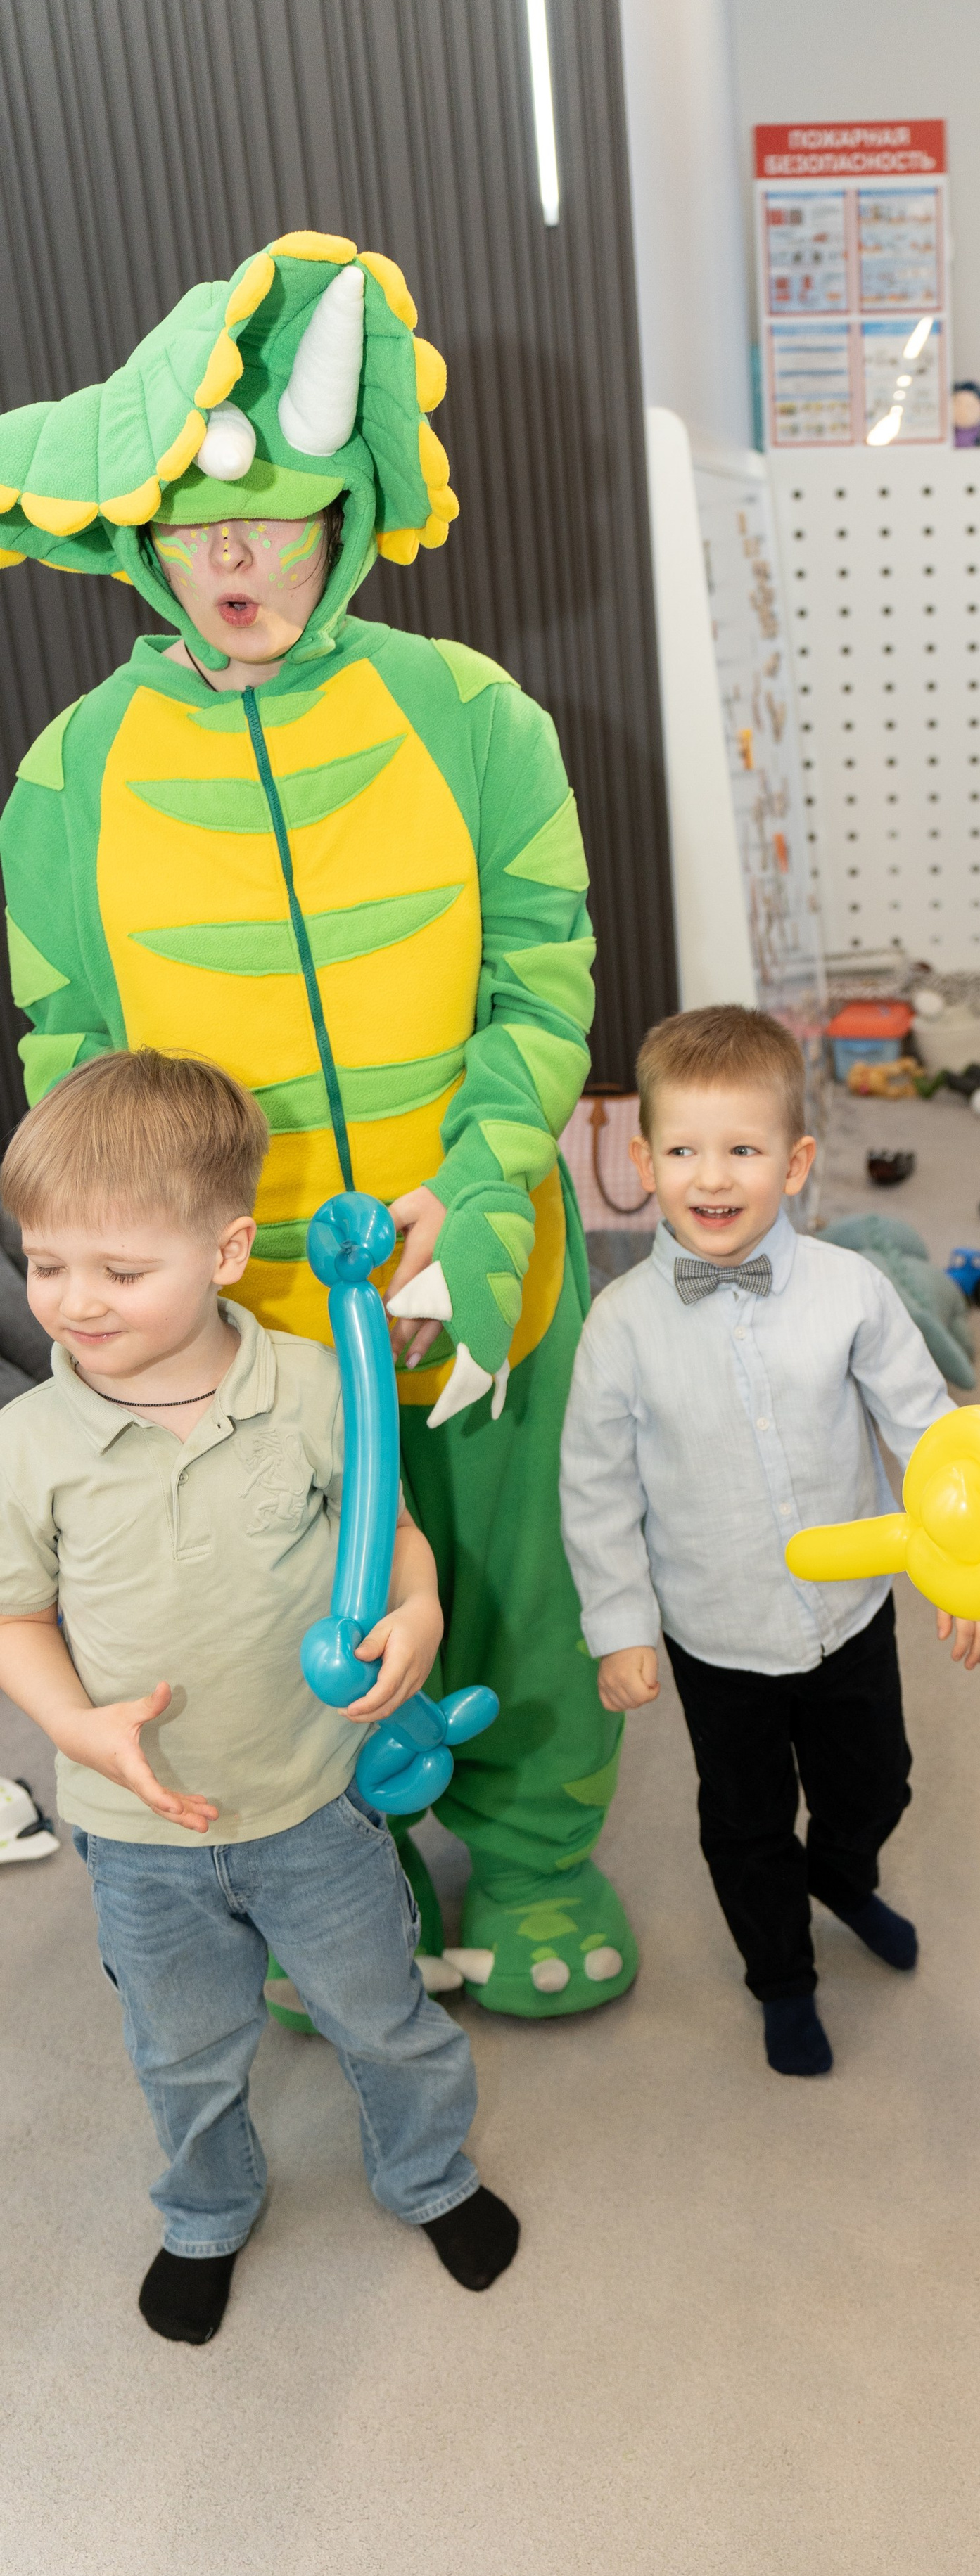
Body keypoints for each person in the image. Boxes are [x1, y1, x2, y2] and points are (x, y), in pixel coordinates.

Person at [0, 231, 632, 2020]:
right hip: (233, 1306)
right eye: (199, 521)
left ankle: (530, 1860)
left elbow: (542, 979)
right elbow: (79, 1060)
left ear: (343, 510)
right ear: (135, 530)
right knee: (274, 1603)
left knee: (507, 1568)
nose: (231, 557)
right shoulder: (65, 779)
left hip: (473, 1240)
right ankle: (315, 1867)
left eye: (271, 512)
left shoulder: (472, 719)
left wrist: (478, 1180)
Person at [0, 1050, 517, 2345]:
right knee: (182, 2049)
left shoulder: (310, 1388)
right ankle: (207, 2210)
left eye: (121, 1272)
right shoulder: (29, 1445)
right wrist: (72, 1725)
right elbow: (14, 1614)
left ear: (229, 1250)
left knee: (381, 2014)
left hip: (311, 1804)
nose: (74, 1302)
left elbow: (387, 1526)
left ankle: (429, 2173)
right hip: (139, 1837)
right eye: (46, 1263)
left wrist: (421, 1610)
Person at [558, 1005, 980, 2079]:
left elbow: (926, 1434)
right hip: (718, 1634)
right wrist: (619, 1628)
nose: (711, 1179)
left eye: (744, 1151)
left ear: (796, 1163)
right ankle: (783, 1978)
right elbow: (596, 1489)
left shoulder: (853, 1292)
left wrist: (971, 1562)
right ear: (641, 1161)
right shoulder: (619, 1325)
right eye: (682, 1151)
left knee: (879, 1781)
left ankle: (845, 1876)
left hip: (851, 1612)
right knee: (747, 1824)